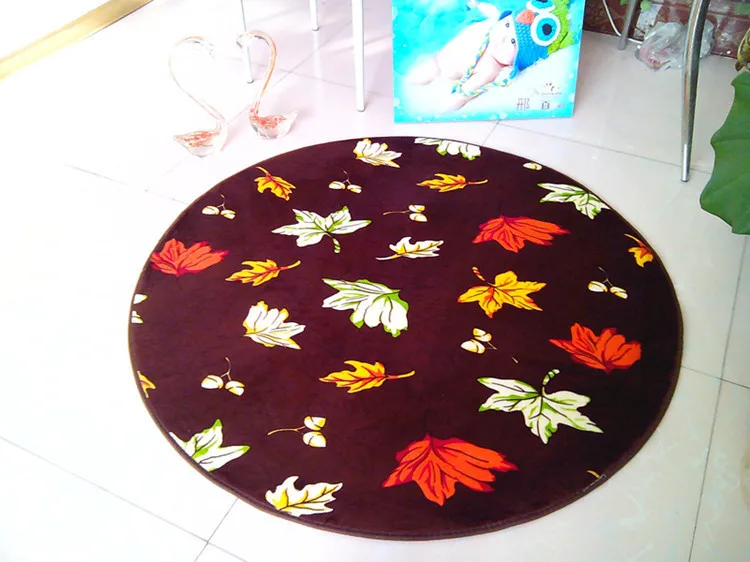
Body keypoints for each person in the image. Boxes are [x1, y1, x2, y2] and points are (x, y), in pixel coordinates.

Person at [406, 0, 574, 112]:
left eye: (513, 41)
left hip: (445, 69)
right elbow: (491, 11)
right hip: (439, 55)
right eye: (507, 25)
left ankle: (432, 72)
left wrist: (456, 100)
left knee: (426, 74)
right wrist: (477, 4)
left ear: (517, 60)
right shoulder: (492, 24)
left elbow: (468, 91)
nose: (503, 37)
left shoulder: (491, 68)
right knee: (420, 71)